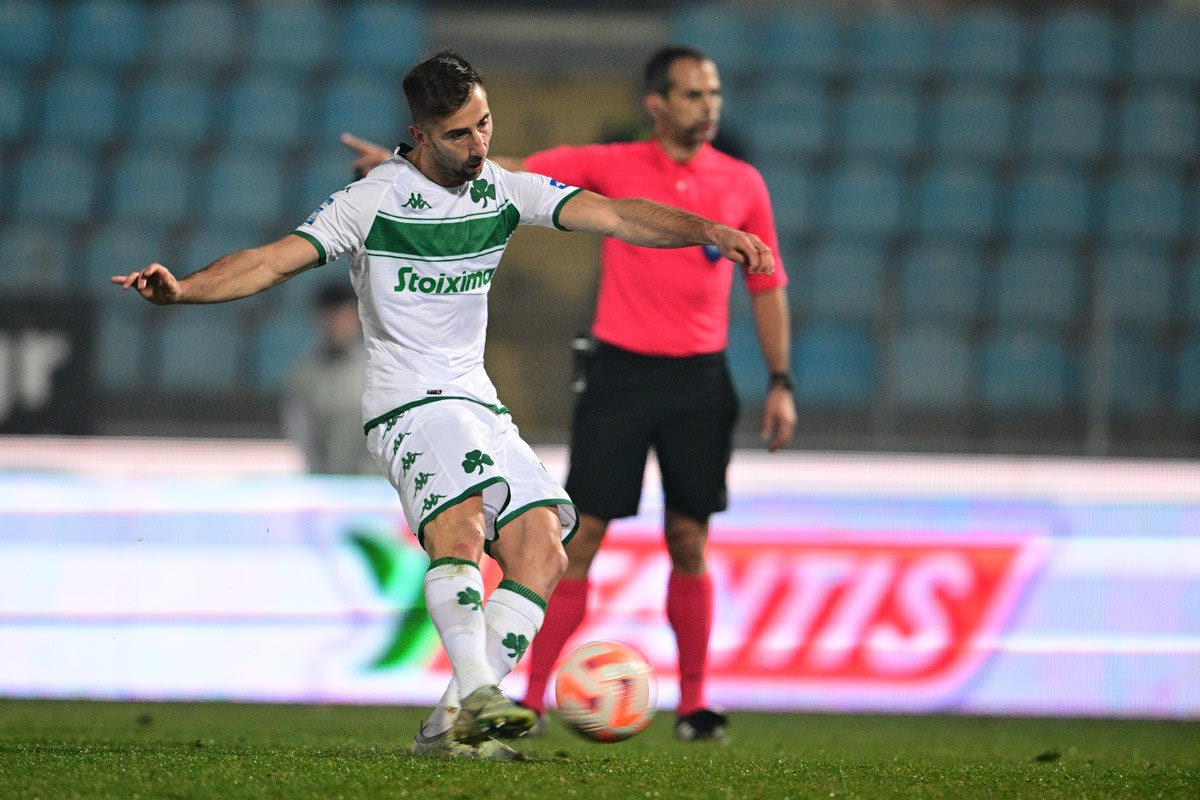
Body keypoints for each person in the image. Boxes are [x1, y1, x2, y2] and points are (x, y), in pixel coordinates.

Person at [112, 49, 775, 759]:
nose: (478, 145)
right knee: (459, 528)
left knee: (543, 548)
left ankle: (449, 723)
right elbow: (272, 260)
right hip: (407, 404)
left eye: (484, 125)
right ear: (421, 134)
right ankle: (482, 693)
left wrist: (709, 231)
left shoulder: (502, 191)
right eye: (459, 134)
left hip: (477, 402)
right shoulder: (372, 202)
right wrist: (184, 290)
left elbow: (615, 214)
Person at [341, 45, 796, 743]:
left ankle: (696, 703)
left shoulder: (743, 184)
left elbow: (767, 284)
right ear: (657, 104)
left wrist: (780, 380)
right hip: (619, 374)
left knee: (689, 538)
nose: (708, 107)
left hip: (701, 379)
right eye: (693, 94)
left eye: (714, 94)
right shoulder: (612, 161)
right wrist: (411, 169)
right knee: (576, 537)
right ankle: (527, 695)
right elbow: (512, 172)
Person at [281, 281, 377, 475]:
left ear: (357, 316)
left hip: (375, 484)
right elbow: (303, 437)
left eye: (343, 315)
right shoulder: (304, 375)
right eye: (331, 316)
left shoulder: (377, 367)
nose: (337, 324)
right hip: (329, 483)